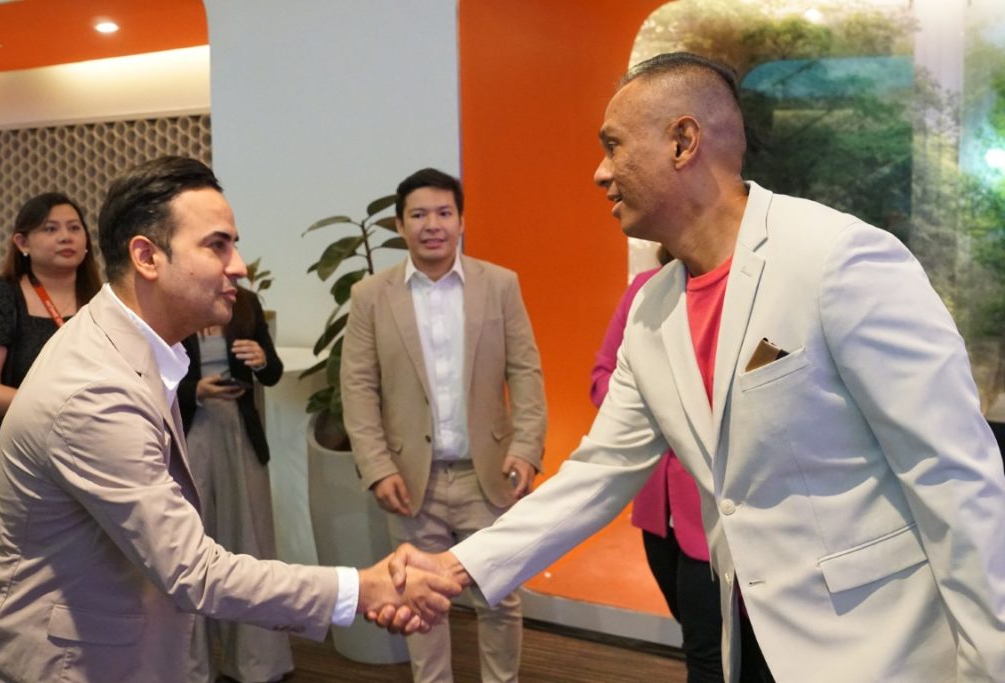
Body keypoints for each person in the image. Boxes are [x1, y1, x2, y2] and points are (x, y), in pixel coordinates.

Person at [377, 53, 1005, 682]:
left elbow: (952, 472)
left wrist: (991, 661)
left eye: (613, 146)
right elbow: (600, 472)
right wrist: (456, 567)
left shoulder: (838, 257)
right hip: (749, 639)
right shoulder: (651, 309)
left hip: (881, 649)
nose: (600, 173)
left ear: (682, 141)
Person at [0, 156, 459, 683]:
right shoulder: (96, 390)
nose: (240, 266)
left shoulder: (123, 342)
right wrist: (363, 589)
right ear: (147, 256)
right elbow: (193, 571)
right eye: (217, 245)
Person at [341, 167, 547, 682]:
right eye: (418, 215)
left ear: (461, 221)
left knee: (499, 596)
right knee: (418, 597)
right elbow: (358, 387)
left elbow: (525, 371)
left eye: (443, 213)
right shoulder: (370, 295)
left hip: (488, 472)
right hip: (412, 480)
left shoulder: (499, 285)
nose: (432, 225)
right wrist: (377, 466)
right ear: (399, 224)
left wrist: (526, 447)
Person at [590, 247, 722, 683]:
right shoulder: (644, 291)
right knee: (697, 638)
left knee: (709, 654)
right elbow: (602, 377)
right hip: (657, 511)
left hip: (716, 513)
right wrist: (661, 408)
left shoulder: (745, 294)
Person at [178, 286, 292, 683]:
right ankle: (190, 669)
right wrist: (195, 390)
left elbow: (272, 373)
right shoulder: (175, 298)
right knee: (187, 548)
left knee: (250, 543)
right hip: (188, 431)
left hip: (240, 434)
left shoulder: (245, 302)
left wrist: (262, 360)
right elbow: (149, 376)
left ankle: (257, 663)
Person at [0, 192, 102, 515]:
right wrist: (57, 410)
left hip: (93, 450)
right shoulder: (0, 295)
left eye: (74, 228)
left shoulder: (105, 303)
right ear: (22, 242)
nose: (65, 237)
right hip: (21, 451)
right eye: (50, 229)